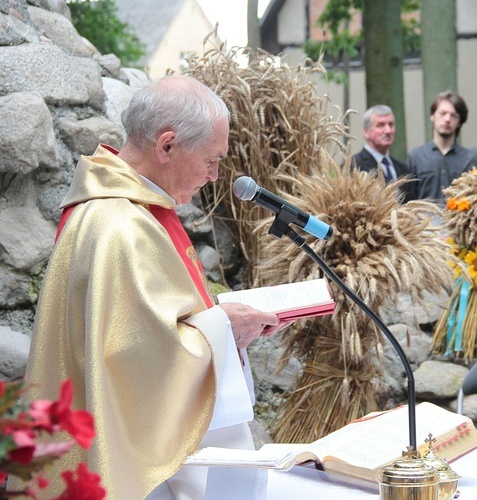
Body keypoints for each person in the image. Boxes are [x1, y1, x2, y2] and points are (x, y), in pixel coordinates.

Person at [20, 75, 291, 499]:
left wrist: (219, 322)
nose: (215, 175)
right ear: (166, 146)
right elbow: (138, 361)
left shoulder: (123, 209)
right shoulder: (121, 226)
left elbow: (140, 328)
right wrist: (223, 328)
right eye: (211, 160)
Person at [407, 91, 472, 203]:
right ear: (432, 116)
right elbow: (407, 199)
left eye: (453, 115)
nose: (447, 119)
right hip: (423, 219)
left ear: (459, 122)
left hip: (457, 219)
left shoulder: (469, 158)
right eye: (443, 113)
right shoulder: (416, 157)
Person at [352, 104, 415, 201]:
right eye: (380, 125)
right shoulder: (354, 166)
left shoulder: (403, 169)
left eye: (391, 124)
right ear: (366, 132)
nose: (388, 131)